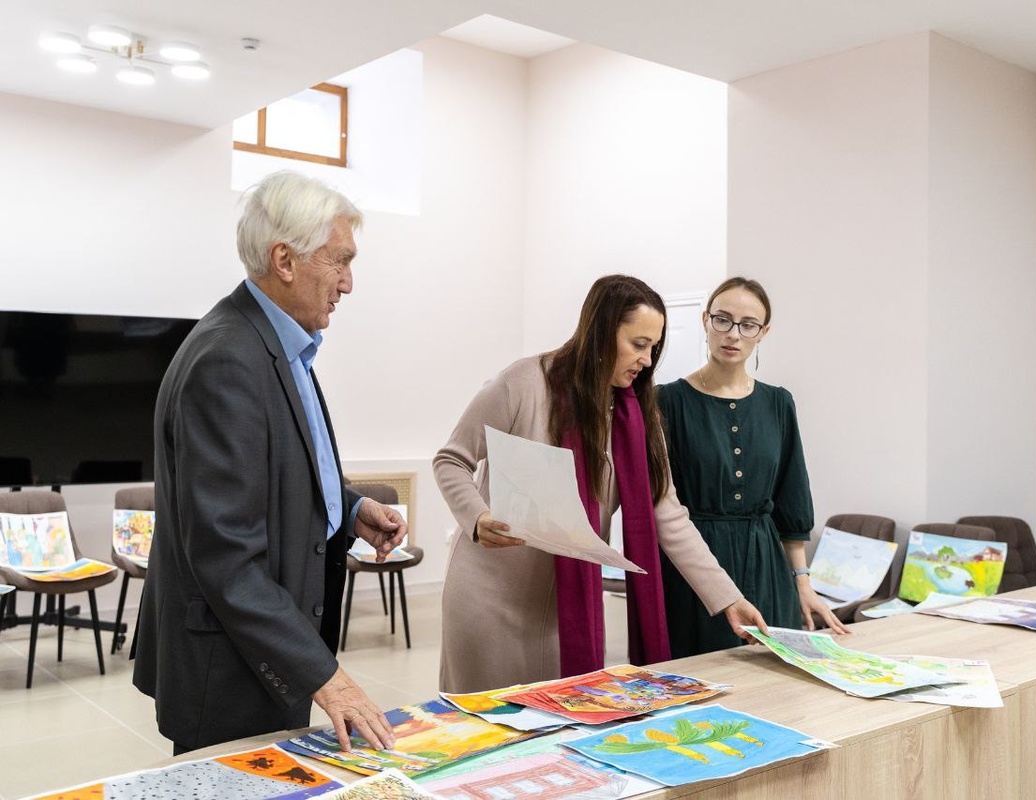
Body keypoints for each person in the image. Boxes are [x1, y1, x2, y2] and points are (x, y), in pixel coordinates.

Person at [133, 171, 406, 754]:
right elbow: (225, 555)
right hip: (229, 667)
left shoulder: (276, 344)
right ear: (284, 260)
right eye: (340, 261)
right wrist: (327, 678)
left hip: (260, 652)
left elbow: (281, 467)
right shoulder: (227, 360)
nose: (348, 283)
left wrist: (350, 507)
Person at [434, 274, 768, 693]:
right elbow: (452, 460)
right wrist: (478, 518)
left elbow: (669, 516)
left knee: (560, 723)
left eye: (654, 348)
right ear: (601, 332)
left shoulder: (639, 415)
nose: (647, 360)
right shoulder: (522, 383)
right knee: (484, 725)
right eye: (639, 344)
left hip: (567, 609)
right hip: (489, 599)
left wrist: (729, 598)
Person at [657, 277, 848, 659]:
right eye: (723, 320)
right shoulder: (667, 401)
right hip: (696, 572)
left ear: (763, 332)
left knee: (774, 676)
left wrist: (803, 584)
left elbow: (792, 500)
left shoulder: (778, 403)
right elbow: (660, 505)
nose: (733, 334)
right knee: (701, 678)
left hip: (766, 566)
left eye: (748, 325)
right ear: (705, 320)